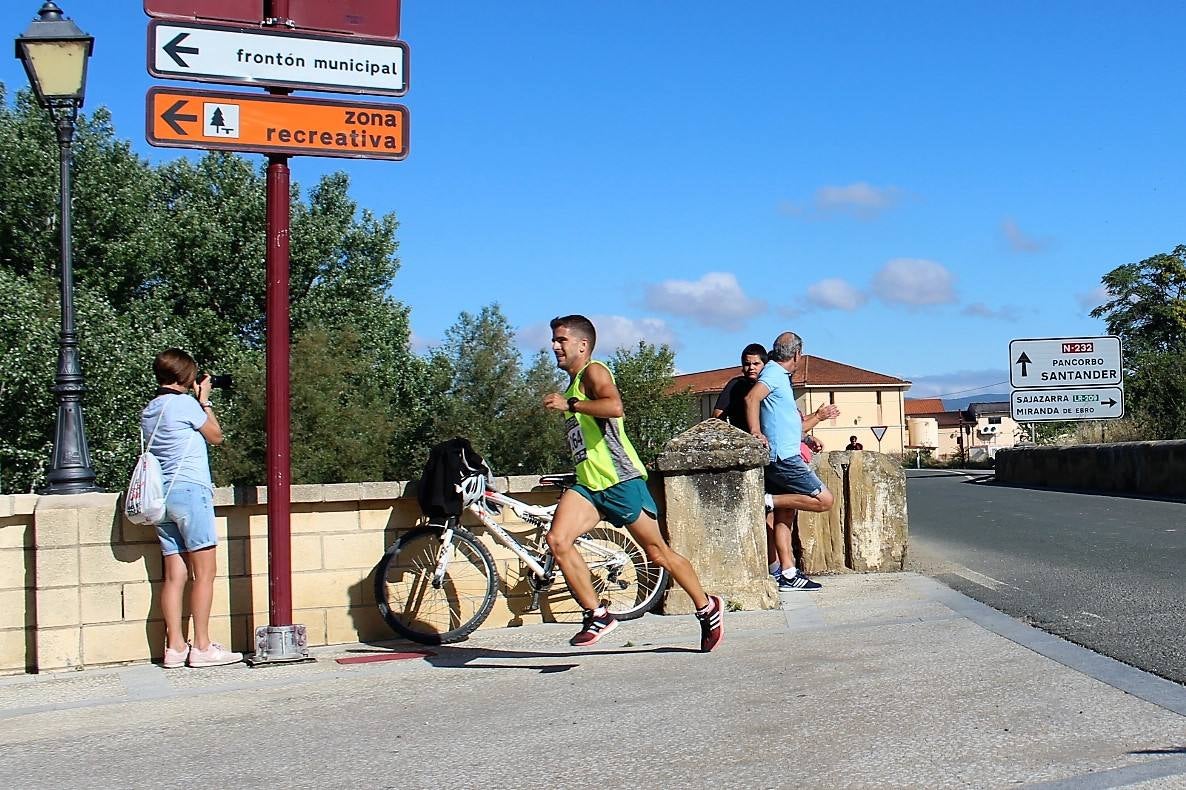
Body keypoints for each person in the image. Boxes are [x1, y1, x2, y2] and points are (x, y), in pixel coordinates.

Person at [543, 315, 724, 652]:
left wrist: (571, 405)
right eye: (554, 340)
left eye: (561, 340)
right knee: (558, 540)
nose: (555, 346)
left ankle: (707, 606)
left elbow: (614, 406)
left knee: (657, 553)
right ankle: (598, 614)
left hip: (621, 481)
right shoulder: (570, 386)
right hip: (589, 486)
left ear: (582, 345)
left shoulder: (593, 373)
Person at [142, 348, 242, 669]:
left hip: (163, 499)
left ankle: (173, 647)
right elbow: (216, 436)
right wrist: (205, 400)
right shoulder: (186, 405)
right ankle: (201, 646)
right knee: (205, 573)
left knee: (174, 576)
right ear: (186, 376)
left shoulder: (150, 410)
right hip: (191, 493)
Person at [745, 332, 839, 592]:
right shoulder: (774, 374)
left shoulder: (778, 377)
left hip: (784, 454)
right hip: (785, 458)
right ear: (797, 354)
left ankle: (787, 574)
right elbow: (751, 398)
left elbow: (787, 424)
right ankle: (766, 501)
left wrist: (812, 426)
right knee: (824, 500)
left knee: (785, 515)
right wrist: (755, 432)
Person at [711, 343, 768, 427]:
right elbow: (717, 416)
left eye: (756, 364)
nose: (751, 367)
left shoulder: (770, 385)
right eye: (747, 364)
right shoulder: (736, 385)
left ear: (765, 365)